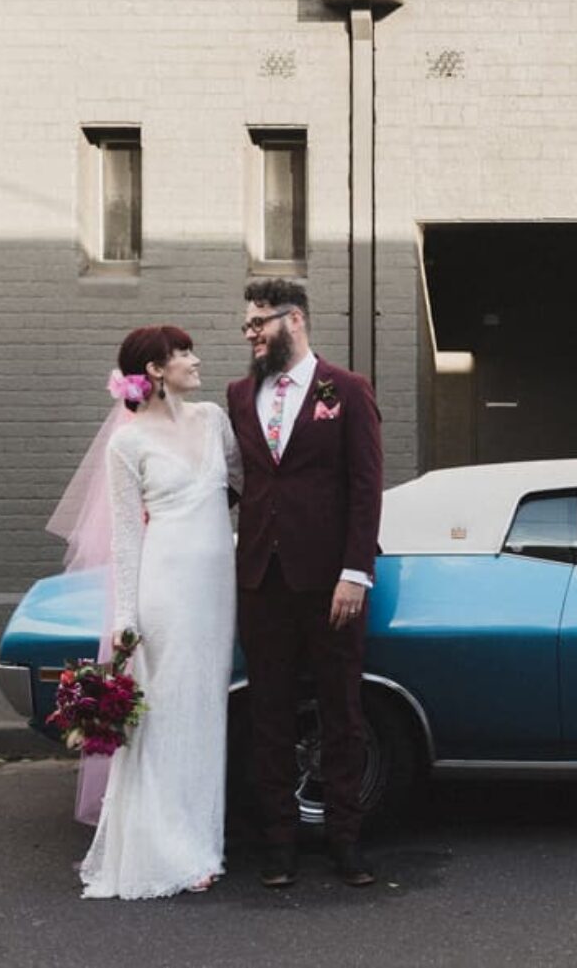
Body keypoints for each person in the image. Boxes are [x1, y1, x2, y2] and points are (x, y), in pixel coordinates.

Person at [72, 324, 242, 899]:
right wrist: (126, 617)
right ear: (155, 370)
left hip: (216, 587)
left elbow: (242, 486)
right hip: (165, 589)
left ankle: (202, 839)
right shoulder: (129, 443)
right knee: (166, 713)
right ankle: (168, 848)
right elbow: (125, 535)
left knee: (205, 710)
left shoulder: (213, 420)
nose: (195, 361)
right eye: (183, 354)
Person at [227, 280, 383, 888]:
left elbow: (366, 488)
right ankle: (279, 846)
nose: (250, 333)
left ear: (294, 320)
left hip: (329, 584)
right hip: (261, 582)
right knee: (268, 714)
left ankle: (346, 843)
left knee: (342, 711)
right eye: (247, 324)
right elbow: (239, 482)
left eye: (259, 322)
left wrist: (354, 573)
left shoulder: (346, 390)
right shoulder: (242, 395)